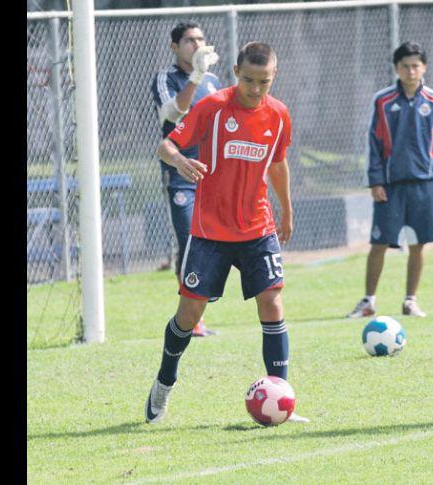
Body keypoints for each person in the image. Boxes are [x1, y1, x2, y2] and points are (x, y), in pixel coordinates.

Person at [145, 41, 308, 424]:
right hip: (210, 232)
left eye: (263, 82)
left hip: (258, 226)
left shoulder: (280, 114)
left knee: (272, 302)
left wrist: (286, 209)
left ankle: (280, 397)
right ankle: (164, 383)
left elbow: (278, 165)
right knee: (190, 313)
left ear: (274, 77)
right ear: (236, 71)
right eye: (249, 80)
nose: (255, 89)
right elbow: (165, 145)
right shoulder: (213, 106)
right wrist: (182, 160)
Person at [347, 41, 433, 319]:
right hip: (391, 187)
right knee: (379, 243)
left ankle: (410, 301)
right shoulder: (383, 101)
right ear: (396, 68)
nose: (410, 71)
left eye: (415, 65)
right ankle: (369, 300)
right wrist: (375, 181)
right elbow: (374, 142)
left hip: (425, 184)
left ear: (424, 68)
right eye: (405, 66)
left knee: (419, 244)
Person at [151, 21, 222, 337]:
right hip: (181, 177)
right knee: (189, 241)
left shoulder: (214, 81)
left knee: (212, 244)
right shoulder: (166, 78)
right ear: (175, 47)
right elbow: (175, 112)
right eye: (189, 40)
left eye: (200, 39)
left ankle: (198, 312)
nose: (196, 45)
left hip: (212, 177)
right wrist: (195, 75)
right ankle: (191, 320)